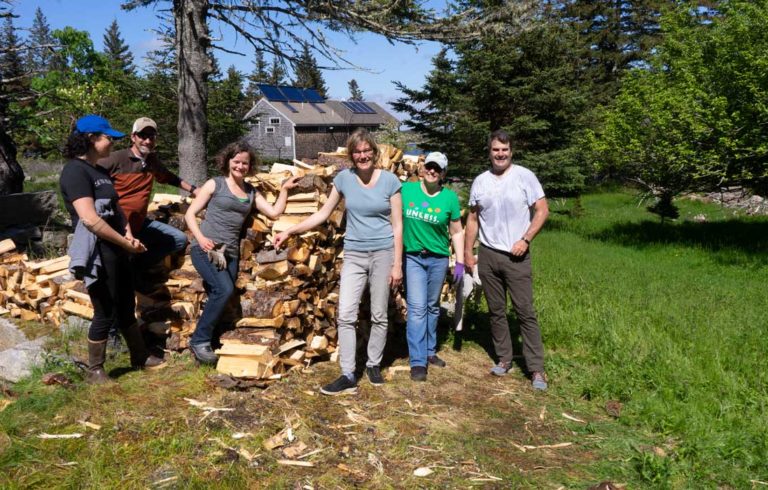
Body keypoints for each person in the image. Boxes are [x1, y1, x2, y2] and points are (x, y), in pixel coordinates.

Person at [274, 128, 403, 396]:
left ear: (374, 152)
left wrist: (397, 264)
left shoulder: (390, 181)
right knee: (345, 314)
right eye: (357, 151)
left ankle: (373, 365)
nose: (363, 155)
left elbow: (398, 225)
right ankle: (347, 374)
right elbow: (323, 213)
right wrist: (289, 230)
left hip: (383, 252)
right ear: (351, 155)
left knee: (379, 314)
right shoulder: (344, 179)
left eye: (367, 150)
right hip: (354, 254)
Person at [59, 115, 166, 384]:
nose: (111, 142)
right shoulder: (75, 171)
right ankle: (95, 370)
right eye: (107, 137)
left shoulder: (101, 171)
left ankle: (139, 357)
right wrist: (122, 241)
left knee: (126, 304)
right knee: (104, 309)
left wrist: (128, 235)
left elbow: (116, 211)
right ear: (91, 139)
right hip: (99, 250)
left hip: (118, 247)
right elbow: (90, 219)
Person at [184, 142, 299, 365]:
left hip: (231, 254)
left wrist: (284, 189)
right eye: (236, 161)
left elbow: (274, 213)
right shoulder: (215, 184)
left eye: (245, 163)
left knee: (220, 294)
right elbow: (190, 214)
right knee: (223, 289)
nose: (240, 166)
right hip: (206, 249)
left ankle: (212, 341)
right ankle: (199, 341)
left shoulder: (250, 192)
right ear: (227, 162)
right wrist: (201, 238)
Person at [463, 129, 550, 391]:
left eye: (504, 149)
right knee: (496, 311)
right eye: (495, 150)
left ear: (511, 151)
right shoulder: (480, 181)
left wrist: (526, 239)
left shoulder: (525, 177)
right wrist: (468, 252)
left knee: (525, 312)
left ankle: (536, 369)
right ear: (489, 152)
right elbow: (473, 218)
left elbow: (542, 210)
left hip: (517, 255)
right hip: (488, 254)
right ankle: (504, 357)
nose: (500, 154)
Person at [97, 117, 197, 269]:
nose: (147, 141)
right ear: (133, 137)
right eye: (143, 136)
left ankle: (139, 266)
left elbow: (169, 177)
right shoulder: (115, 159)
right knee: (117, 262)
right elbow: (88, 177)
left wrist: (194, 189)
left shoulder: (151, 161)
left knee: (179, 239)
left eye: (151, 137)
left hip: (140, 224)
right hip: (118, 226)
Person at [401, 151, 464, 382]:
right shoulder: (406, 190)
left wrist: (459, 262)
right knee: (417, 308)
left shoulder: (449, 198)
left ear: (443, 173)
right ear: (422, 168)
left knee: (432, 307)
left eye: (437, 168)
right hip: (413, 258)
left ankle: (429, 352)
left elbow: (457, 231)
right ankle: (417, 361)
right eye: (429, 166)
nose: (432, 171)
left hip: (437, 258)